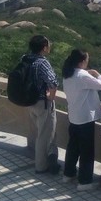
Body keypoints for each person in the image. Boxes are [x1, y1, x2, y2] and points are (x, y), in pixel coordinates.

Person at [61, 48, 101, 190]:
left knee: (73, 147)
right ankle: (85, 182)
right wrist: (97, 74)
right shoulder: (82, 76)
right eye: (86, 60)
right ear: (81, 62)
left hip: (74, 116)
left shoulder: (68, 73)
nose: (87, 62)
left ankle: (68, 174)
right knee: (86, 151)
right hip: (85, 118)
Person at [25, 34, 60, 174]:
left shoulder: (25, 58)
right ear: (44, 48)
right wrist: (51, 98)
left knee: (42, 132)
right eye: (48, 45)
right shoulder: (42, 62)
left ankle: (51, 158)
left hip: (29, 101)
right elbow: (53, 82)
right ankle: (41, 166)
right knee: (44, 136)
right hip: (42, 103)